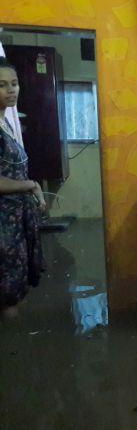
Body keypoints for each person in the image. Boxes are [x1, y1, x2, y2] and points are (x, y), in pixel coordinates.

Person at [0, 58, 45, 318]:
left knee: (15, 290)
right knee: (8, 299)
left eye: (14, 84)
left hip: (15, 220)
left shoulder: (6, 122)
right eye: (3, 85)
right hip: (4, 224)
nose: (11, 90)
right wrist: (31, 184)